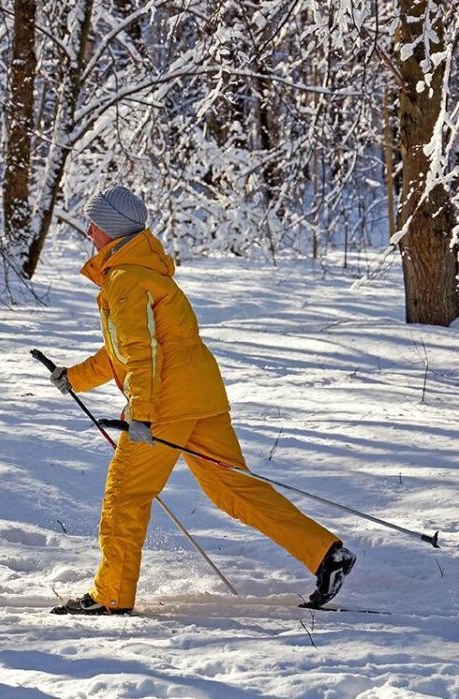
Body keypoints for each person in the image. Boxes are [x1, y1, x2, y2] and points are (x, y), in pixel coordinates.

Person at [48, 185, 355, 615]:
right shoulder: (143, 273)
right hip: (201, 396)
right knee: (235, 489)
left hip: (167, 403)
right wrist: (75, 378)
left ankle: (111, 595)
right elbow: (125, 352)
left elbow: (142, 354)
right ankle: (327, 554)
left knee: (126, 496)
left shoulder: (124, 279)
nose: (88, 230)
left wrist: (142, 414)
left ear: (111, 229)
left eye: (93, 222)